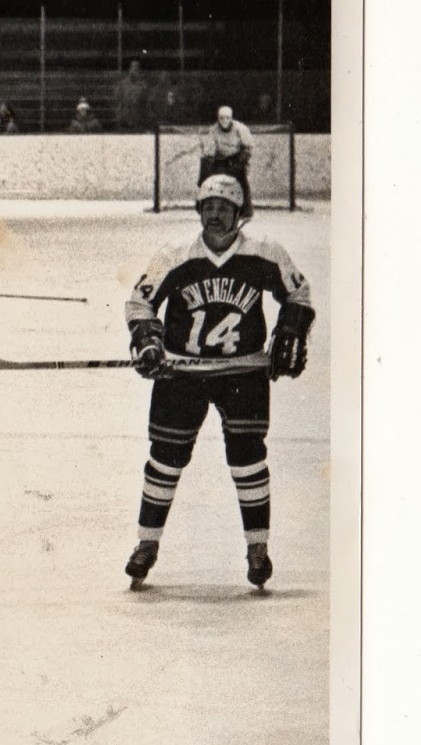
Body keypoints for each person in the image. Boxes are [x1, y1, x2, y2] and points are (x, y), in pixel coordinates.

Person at [123, 175, 315, 590]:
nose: (215, 214)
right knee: (165, 458)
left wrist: (292, 329)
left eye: (224, 207)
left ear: (239, 214)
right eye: (208, 206)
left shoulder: (264, 254)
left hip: (243, 373)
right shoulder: (175, 256)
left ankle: (257, 548)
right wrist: (148, 339)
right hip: (183, 374)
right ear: (198, 210)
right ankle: (146, 544)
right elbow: (141, 302)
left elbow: (299, 295)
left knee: (247, 458)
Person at [198, 105, 255, 218]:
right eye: (221, 118)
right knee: (206, 168)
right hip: (221, 158)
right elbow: (210, 149)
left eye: (227, 118)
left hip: (237, 156)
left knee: (241, 178)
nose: (224, 121)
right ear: (218, 118)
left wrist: (240, 161)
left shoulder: (240, 128)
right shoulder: (214, 130)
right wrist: (208, 162)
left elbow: (248, 147)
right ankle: (202, 204)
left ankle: (246, 210)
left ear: (231, 118)